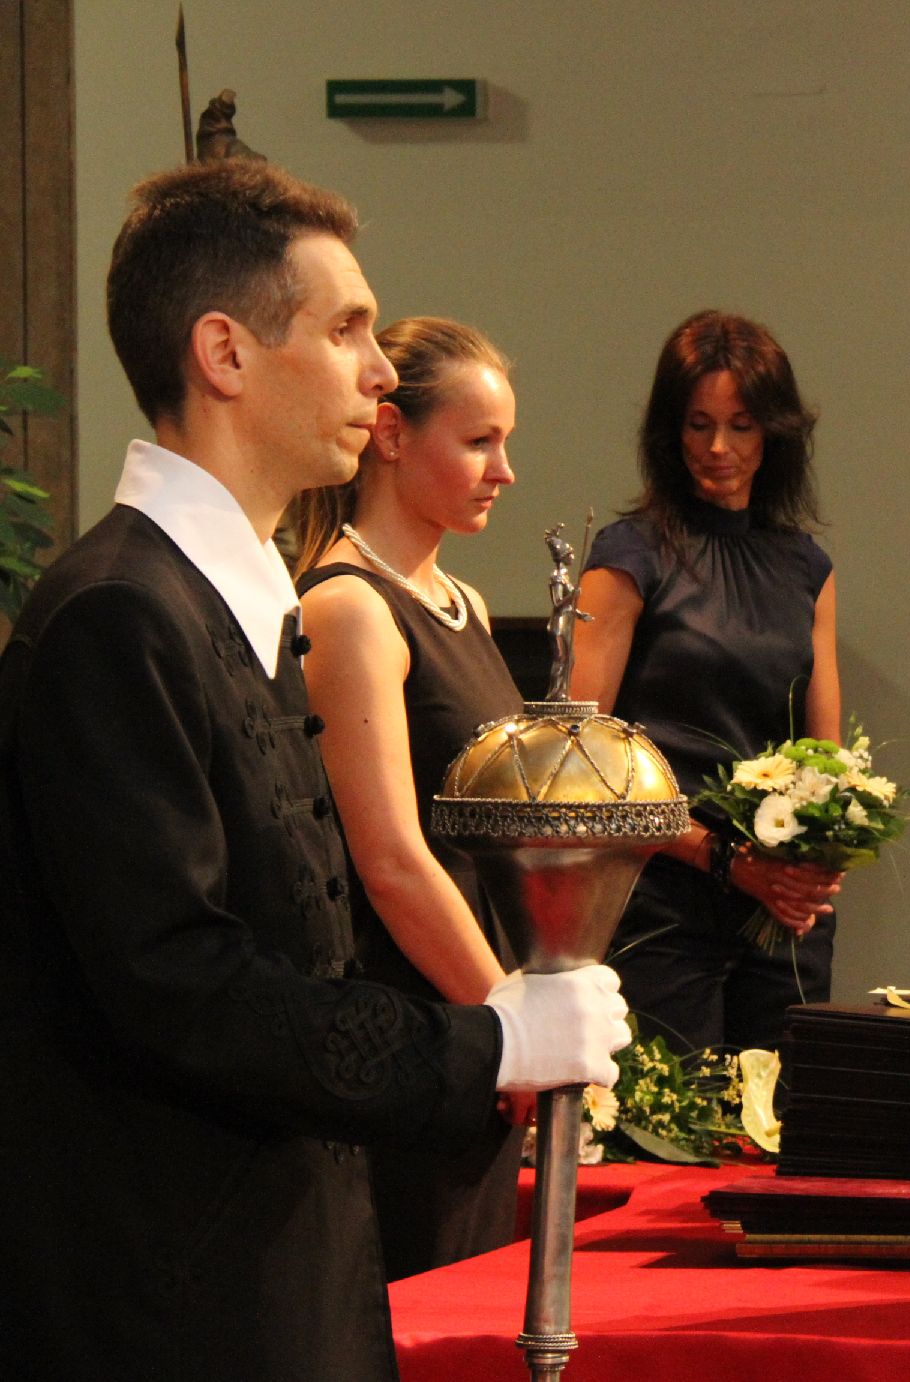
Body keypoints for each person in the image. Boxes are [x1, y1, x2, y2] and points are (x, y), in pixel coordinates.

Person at [0, 161, 629, 1379]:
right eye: (346, 329)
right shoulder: (117, 615)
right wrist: (486, 1044)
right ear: (225, 354)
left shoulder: (232, 604)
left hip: (280, 1267)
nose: (380, 370)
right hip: (170, 1303)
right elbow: (182, 982)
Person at [288, 317, 527, 1280]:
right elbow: (388, 857)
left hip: (476, 1010)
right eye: (478, 441)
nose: (503, 470)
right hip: (418, 1029)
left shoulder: (461, 603)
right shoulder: (349, 606)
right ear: (389, 434)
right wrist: (511, 1022)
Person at [571, 311, 842, 1054]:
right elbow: (581, 765)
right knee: (673, 1113)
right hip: (662, 902)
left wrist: (817, 864)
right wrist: (720, 859)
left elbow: (829, 761)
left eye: (741, 426)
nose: (719, 448)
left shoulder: (807, 568)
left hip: (779, 910)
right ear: (670, 430)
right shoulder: (629, 557)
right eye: (699, 425)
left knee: (779, 1110)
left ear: (774, 433)